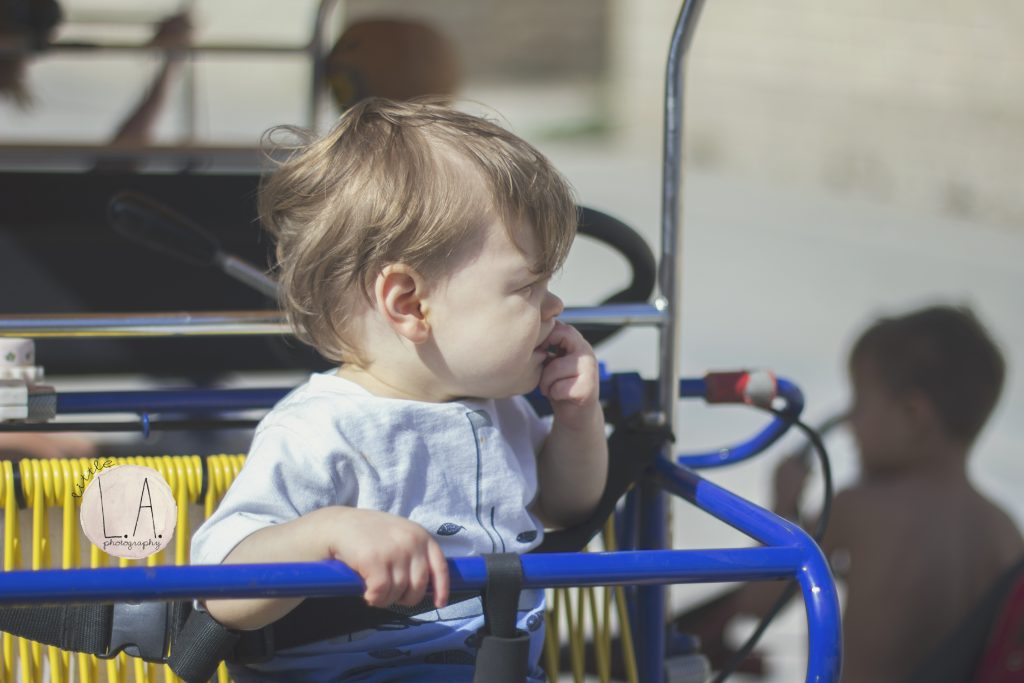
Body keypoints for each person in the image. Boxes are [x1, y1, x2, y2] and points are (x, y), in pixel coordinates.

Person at [190, 98, 609, 682]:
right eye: (529, 286)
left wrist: (577, 419)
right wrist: (328, 532)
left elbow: (568, 507)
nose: (556, 307)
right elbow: (222, 593)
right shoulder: (321, 431)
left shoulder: (499, 406)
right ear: (410, 304)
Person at [677, 305, 1024, 683]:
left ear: (913, 416)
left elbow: (761, 600)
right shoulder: (1004, 530)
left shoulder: (862, 507)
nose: (848, 423)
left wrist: (784, 509)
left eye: (859, 402)